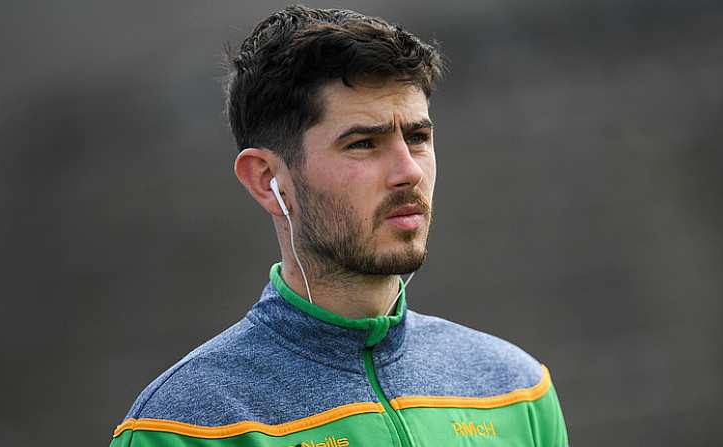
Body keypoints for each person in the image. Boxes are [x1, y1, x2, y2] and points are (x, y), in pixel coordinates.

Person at [108, 5, 569, 447]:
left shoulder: (516, 391)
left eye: (418, 137)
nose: (408, 171)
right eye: (364, 143)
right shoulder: (184, 428)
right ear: (269, 181)